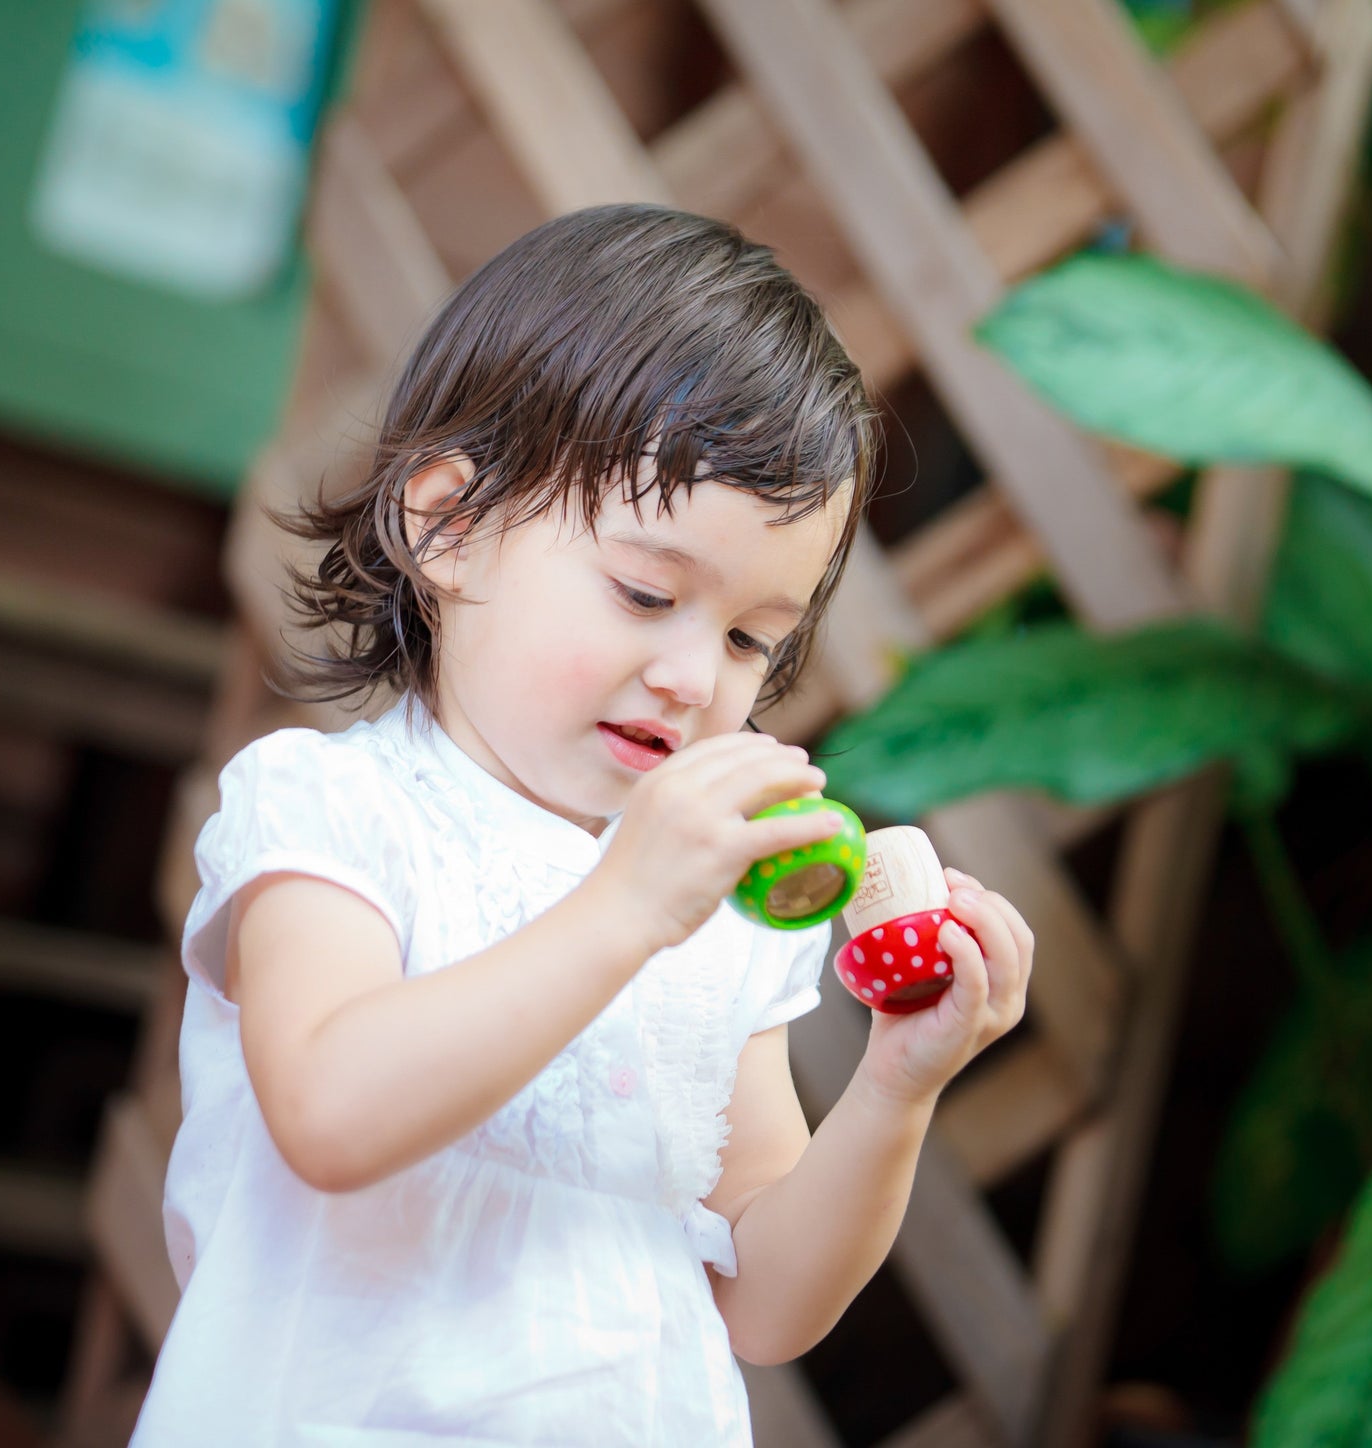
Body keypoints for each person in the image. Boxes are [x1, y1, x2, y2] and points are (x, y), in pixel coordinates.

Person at [130, 204, 1035, 1447]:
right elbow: (331, 1113)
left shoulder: (714, 907)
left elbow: (763, 1300)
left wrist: (896, 1085)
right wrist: (620, 910)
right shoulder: (334, 812)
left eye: (746, 638)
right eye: (645, 593)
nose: (688, 674)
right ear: (445, 524)